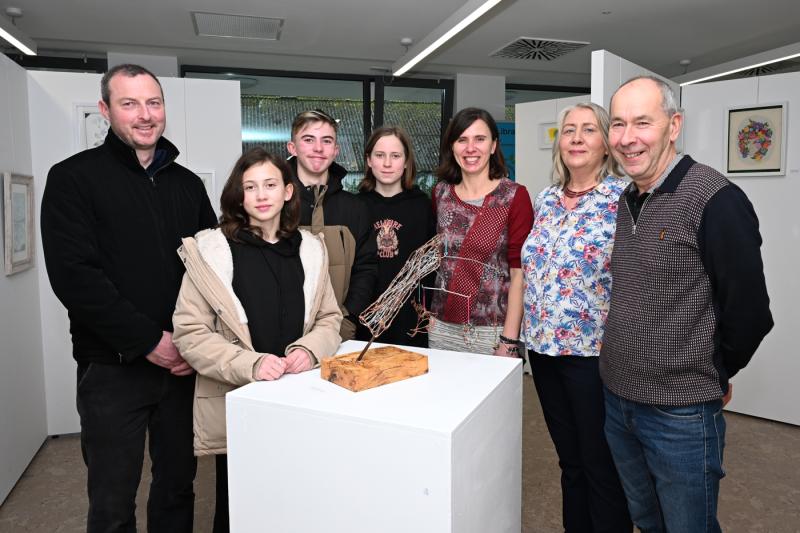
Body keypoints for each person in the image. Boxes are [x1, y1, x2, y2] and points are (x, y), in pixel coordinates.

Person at [40, 64, 217, 532]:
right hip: (112, 370)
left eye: (153, 103)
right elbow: (75, 279)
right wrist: (149, 342)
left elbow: (211, 271)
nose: (145, 115)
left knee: (178, 486)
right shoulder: (72, 179)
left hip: (183, 365)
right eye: (130, 103)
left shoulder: (187, 185)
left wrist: (190, 342)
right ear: (105, 110)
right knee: (112, 498)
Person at [600, 76, 773, 532]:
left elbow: (751, 312)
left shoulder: (716, 200)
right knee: (647, 520)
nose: (627, 137)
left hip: (680, 413)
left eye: (642, 122)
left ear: (673, 126)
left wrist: (715, 371)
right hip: (618, 401)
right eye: (618, 124)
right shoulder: (628, 198)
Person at [172, 148, 342, 533]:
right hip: (241, 399)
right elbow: (190, 333)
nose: (261, 195)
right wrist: (251, 364)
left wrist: (309, 349)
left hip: (300, 398)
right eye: (250, 187)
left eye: (270, 185)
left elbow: (330, 318)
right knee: (241, 509)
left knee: (300, 502)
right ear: (239, 196)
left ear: (287, 192)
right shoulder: (211, 252)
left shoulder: (311, 249)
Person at [521, 102, 631, 532]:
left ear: (606, 143)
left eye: (589, 130)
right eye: (569, 130)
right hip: (544, 351)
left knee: (601, 463)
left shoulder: (623, 199)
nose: (577, 138)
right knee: (569, 461)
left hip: (593, 355)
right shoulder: (546, 199)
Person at [429, 107, 533, 356]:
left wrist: (509, 340)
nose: (470, 148)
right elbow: (435, 261)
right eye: (462, 140)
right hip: (441, 327)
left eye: (480, 139)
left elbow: (520, 275)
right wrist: (429, 317)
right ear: (452, 147)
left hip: (492, 332)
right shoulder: (440, 194)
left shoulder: (514, 197)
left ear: (494, 145)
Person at [287, 109, 377, 341]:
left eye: (326, 141)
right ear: (292, 148)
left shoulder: (355, 208)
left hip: (339, 333)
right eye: (308, 140)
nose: (318, 148)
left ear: (335, 150)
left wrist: (348, 318)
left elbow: (366, 269)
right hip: (282, 332)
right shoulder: (274, 204)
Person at [357, 126, 435, 347]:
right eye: (380, 155)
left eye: (395, 156)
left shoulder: (423, 206)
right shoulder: (356, 207)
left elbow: (431, 269)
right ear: (369, 161)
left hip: (410, 321)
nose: (387, 163)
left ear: (407, 161)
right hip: (365, 320)